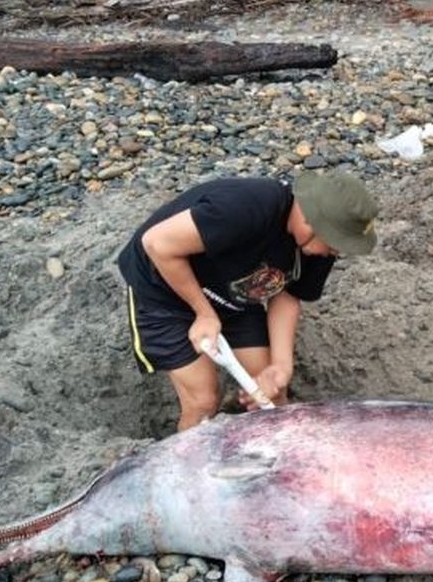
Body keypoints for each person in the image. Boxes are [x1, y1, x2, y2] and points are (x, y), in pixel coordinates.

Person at [117, 172, 379, 431]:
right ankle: (187, 469)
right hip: (163, 290)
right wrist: (204, 314)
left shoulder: (317, 250)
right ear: (311, 222)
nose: (335, 252)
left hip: (234, 295)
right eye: (335, 244)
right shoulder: (247, 207)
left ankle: (274, 468)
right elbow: (157, 244)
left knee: (271, 396)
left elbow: (287, 296)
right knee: (202, 403)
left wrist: (280, 367)